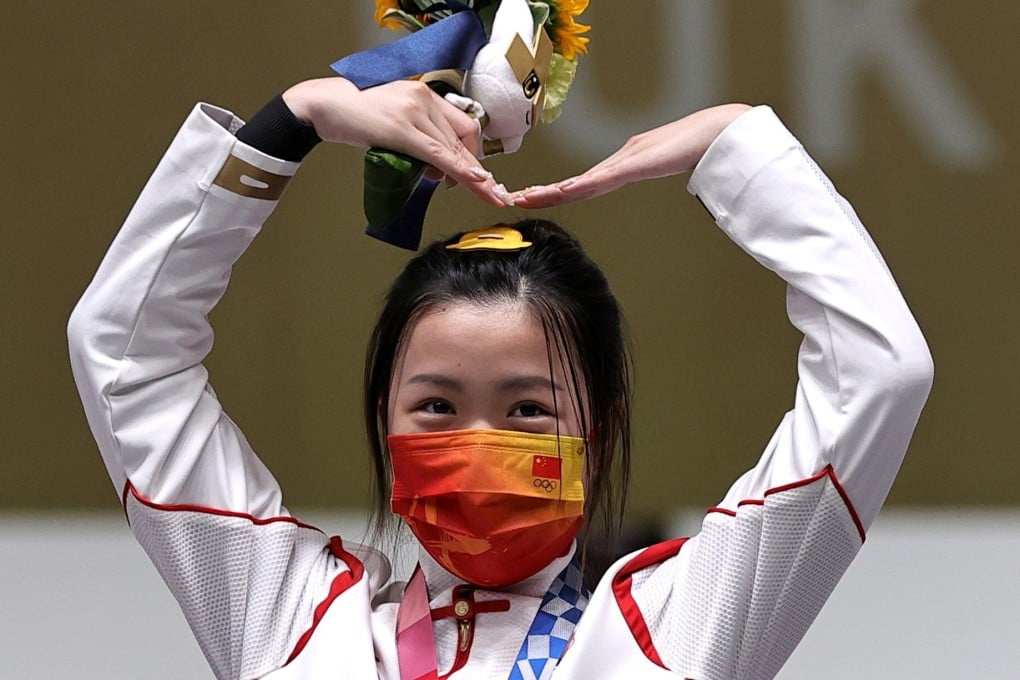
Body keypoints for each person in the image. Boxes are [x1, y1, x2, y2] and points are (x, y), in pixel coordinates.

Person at [68, 72, 933, 679]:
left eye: (526, 409)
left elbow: (879, 372)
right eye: (436, 405)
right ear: (383, 420)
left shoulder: (681, 626)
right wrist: (292, 122)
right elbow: (125, 361)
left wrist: (734, 150)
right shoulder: (292, 614)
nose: (477, 444)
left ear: (603, 425)